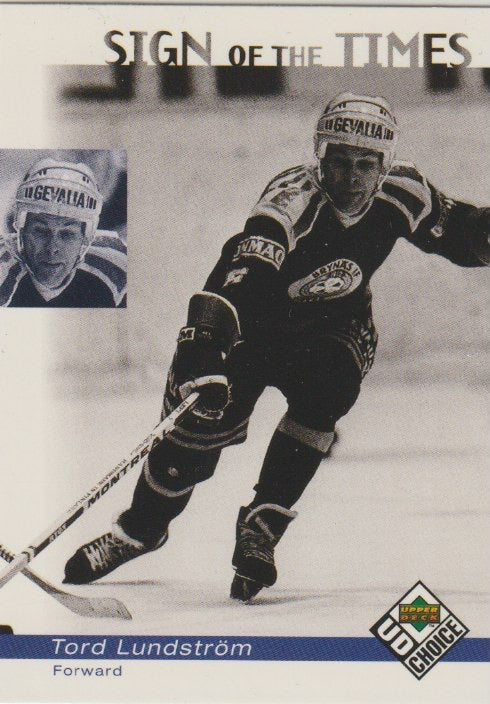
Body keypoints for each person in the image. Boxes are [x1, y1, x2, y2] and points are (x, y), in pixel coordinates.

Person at [64, 93, 489, 600]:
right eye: (339, 161)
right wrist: (206, 348)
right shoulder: (290, 200)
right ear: (320, 156)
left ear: (385, 165)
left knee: (331, 386)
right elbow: (242, 274)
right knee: (190, 444)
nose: (351, 178)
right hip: (253, 331)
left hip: (333, 326)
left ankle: (262, 528)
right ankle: (139, 531)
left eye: (365, 165)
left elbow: (459, 233)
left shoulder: (405, 192)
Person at [0, 158, 127, 307]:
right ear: (21, 230)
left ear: (85, 237)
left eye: (67, 234)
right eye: (40, 231)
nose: (52, 248)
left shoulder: (119, 267)